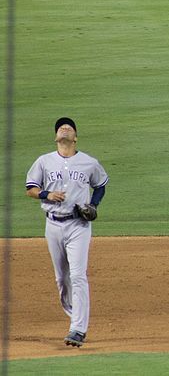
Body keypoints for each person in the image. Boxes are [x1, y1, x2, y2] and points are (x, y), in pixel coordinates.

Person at [25, 117, 109, 347]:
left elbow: (101, 184)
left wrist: (93, 205)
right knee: (62, 279)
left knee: (78, 276)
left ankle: (78, 329)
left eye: (69, 127)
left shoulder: (88, 162)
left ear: (75, 137)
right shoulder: (44, 161)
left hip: (78, 226)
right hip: (52, 225)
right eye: (61, 127)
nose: (64, 128)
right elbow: (30, 189)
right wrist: (46, 195)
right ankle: (75, 315)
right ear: (56, 137)